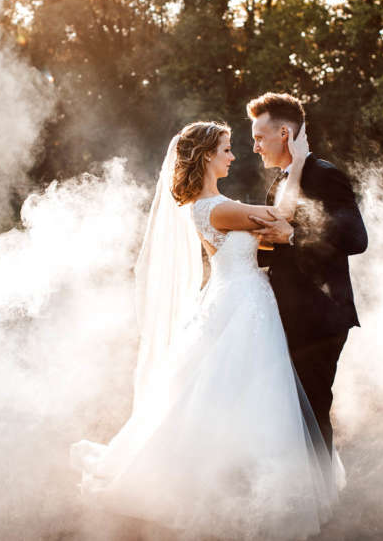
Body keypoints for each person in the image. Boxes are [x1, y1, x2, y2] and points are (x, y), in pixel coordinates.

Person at [71, 120, 340, 539]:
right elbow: (281, 218)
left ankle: (238, 481)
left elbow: (272, 234)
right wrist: (300, 161)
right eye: (227, 149)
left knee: (231, 397)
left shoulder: (214, 205)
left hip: (238, 299)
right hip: (244, 304)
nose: (233, 155)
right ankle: (238, 490)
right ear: (206, 156)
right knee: (251, 397)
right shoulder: (216, 209)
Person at [246, 92, 368, 460]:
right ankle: (301, 495)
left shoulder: (324, 175)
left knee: (311, 411)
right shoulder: (279, 182)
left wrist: (294, 235)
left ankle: (318, 500)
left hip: (319, 316)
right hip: (291, 316)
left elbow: (355, 238)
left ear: (284, 134)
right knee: (290, 412)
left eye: (259, 137)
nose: (255, 147)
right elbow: (280, 249)